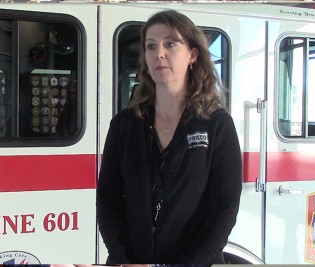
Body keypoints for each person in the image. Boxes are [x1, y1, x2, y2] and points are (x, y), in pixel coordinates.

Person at [96, 9, 242, 264]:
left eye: (170, 44)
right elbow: (108, 199)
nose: (158, 53)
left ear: (192, 55)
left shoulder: (216, 125)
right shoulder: (124, 125)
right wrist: (121, 257)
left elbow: (224, 208)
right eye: (150, 46)